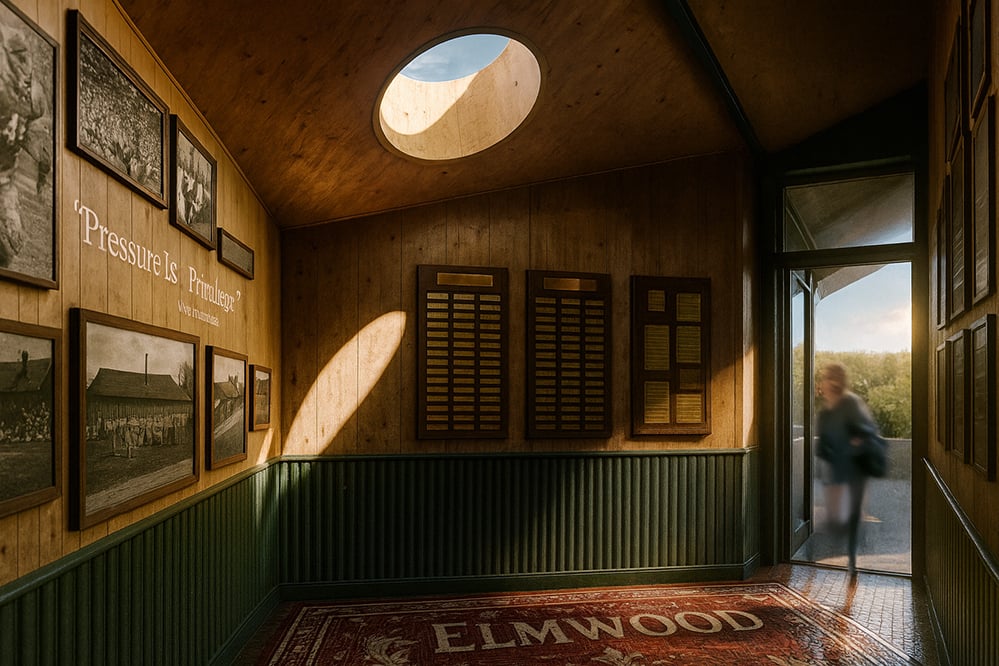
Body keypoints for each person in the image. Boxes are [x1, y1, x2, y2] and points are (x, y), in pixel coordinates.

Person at [816, 362, 880, 576]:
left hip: (855, 468)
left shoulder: (851, 403)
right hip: (836, 469)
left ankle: (852, 558)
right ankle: (844, 549)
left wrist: (857, 440)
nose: (822, 382)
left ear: (835, 381)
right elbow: (823, 445)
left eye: (826, 377)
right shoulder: (825, 411)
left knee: (851, 514)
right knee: (836, 519)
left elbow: (868, 430)